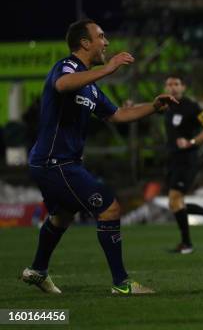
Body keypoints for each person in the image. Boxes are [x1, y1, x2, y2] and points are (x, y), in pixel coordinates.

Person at [22, 18, 177, 294]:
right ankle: (122, 283)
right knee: (109, 208)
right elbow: (61, 85)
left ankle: (37, 270)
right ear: (84, 43)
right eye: (101, 37)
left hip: (53, 162)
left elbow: (118, 114)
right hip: (55, 162)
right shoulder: (66, 66)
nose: (106, 43)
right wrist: (108, 68)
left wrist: (153, 106)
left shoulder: (91, 87)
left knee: (62, 217)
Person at [163, 74, 203, 254]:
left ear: (183, 87)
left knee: (175, 200)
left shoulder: (192, 107)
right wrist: (131, 107)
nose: (172, 87)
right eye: (169, 84)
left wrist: (191, 142)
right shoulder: (167, 106)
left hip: (187, 159)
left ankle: (187, 244)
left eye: (176, 84)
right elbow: (149, 108)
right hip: (173, 159)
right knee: (175, 203)